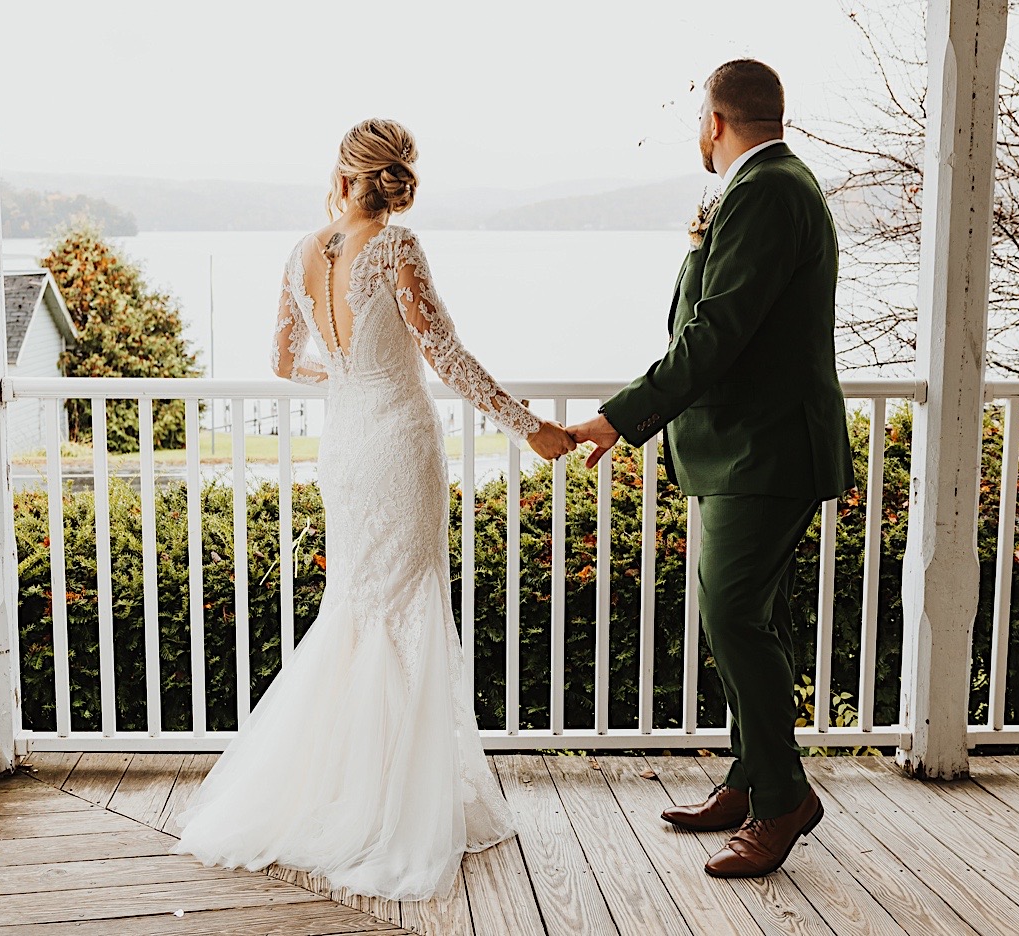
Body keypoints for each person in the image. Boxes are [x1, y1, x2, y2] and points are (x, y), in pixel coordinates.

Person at [169, 118, 575, 900]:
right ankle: (392, 807)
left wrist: (349, 382)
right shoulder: (395, 247)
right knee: (406, 609)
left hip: (348, 446)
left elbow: (284, 363)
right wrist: (530, 428)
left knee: (361, 611)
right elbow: (445, 353)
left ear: (345, 172)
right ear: (391, 178)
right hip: (396, 442)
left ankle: (344, 790)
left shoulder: (301, 251)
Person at [567, 59, 856, 879]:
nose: (699, 129)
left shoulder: (769, 191)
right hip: (747, 447)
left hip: (766, 449)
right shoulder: (768, 186)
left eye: (700, 116)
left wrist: (618, 417)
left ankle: (783, 800)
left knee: (733, 617)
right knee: (744, 619)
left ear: (717, 120)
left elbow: (715, 333)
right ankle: (747, 776)